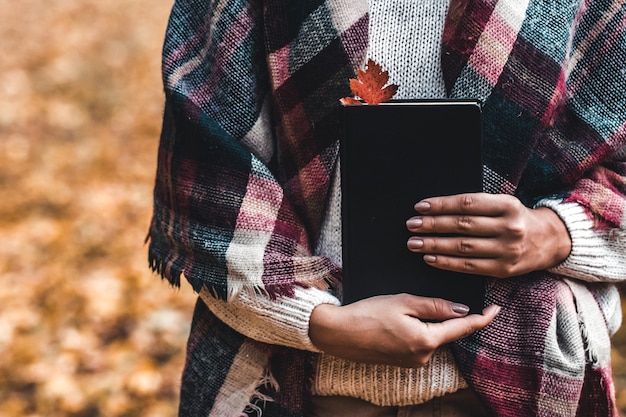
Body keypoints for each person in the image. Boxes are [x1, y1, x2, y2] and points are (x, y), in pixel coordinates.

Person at [147, 0, 626, 415]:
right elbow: (208, 178)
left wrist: (555, 232)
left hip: (529, 375)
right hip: (300, 383)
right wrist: (320, 323)